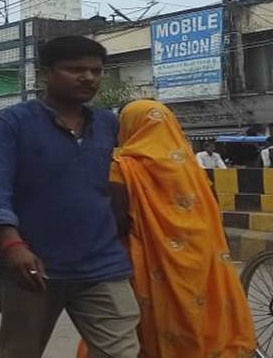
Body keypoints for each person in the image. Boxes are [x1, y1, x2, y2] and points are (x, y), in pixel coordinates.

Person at [0, 36, 138, 358]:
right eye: (75, 69)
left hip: (102, 266)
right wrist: (11, 244)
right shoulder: (13, 123)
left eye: (96, 71)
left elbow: (127, 180)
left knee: (123, 353)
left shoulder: (108, 125)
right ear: (45, 73)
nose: (88, 77)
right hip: (31, 268)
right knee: (21, 352)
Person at [84, 100, 256, 357]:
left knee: (149, 328)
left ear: (129, 127)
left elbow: (117, 223)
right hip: (201, 263)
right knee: (198, 319)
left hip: (149, 266)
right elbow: (212, 215)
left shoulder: (122, 166)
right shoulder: (193, 169)